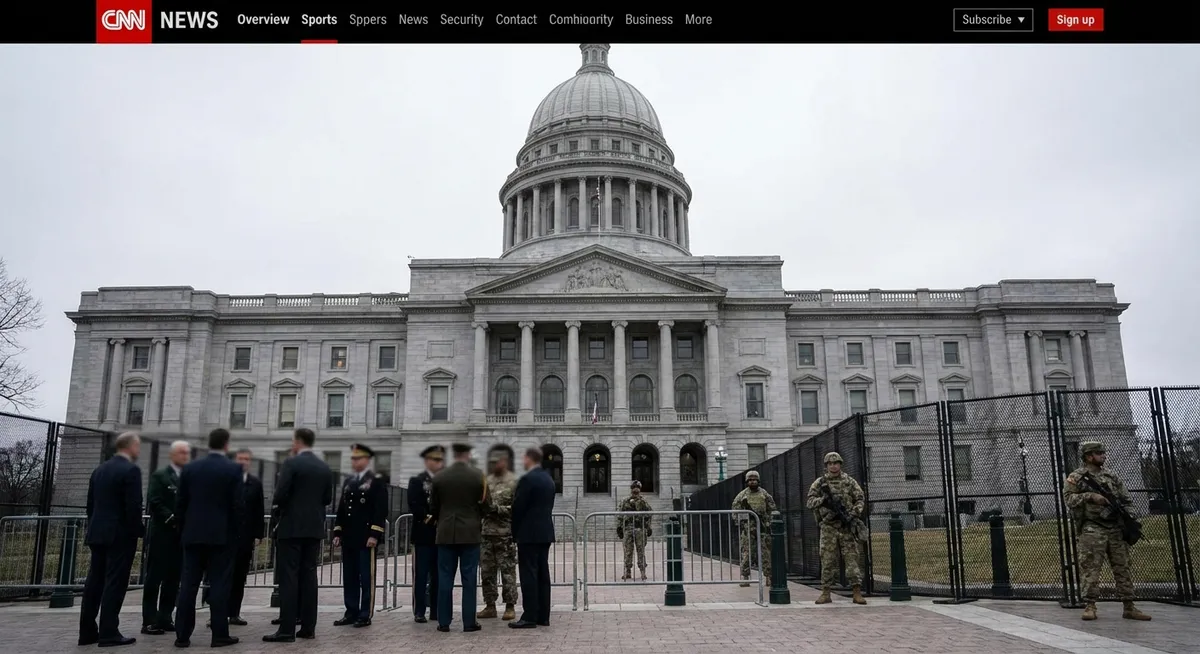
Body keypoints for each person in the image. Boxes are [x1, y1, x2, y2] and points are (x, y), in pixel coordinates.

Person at [1064, 441, 1151, 622]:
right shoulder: (1077, 477)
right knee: (1090, 567)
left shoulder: (1111, 476)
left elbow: (1126, 500)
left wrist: (1129, 517)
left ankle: (1129, 606)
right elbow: (1069, 499)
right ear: (1089, 456)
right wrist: (1091, 496)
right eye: (1099, 453)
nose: (1103, 455)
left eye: (1103, 452)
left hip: (1115, 528)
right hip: (1093, 527)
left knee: (1122, 567)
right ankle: (1090, 605)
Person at [174, 428, 244, 648]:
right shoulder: (233, 469)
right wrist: (236, 534)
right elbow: (237, 506)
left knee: (188, 585)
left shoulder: (190, 469)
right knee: (220, 585)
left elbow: (180, 504)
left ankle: (182, 635)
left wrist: (183, 531)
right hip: (221, 536)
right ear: (226, 444)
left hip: (193, 535)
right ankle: (219, 634)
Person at [264, 428, 333, 643]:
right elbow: (327, 498)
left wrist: (277, 512)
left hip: (291, 526)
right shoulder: (324, 467)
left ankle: (286, 629)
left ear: (297, 442)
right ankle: (308, 627)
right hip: (313, 527)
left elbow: (281, 493)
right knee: (309, 577)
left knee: (289, 577)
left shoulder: (291, 463)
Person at [79, 432, 144, 648]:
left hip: (98, 532)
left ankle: (87, 631)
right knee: (115, 583)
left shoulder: (99, 470)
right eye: (138, 446)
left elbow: (90, 505)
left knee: (94, 583)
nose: (139, 450)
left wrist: (94, 526)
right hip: (120, 535)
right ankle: (109, 631)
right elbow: (133, 506)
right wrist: (138, 531)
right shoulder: (131, 470)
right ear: (131, 447)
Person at [430, 442, 487, 633]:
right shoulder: (478, 476)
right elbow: (486, 504)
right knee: (469, 578)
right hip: (470, 532)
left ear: (454, 455)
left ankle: (443, 622)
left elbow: (433, 507)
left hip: (446, 532)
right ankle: (469, 622)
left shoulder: (439, 477)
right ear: (468, 454)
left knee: (445, 578)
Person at [332, 444, 388, 628]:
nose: (355, 461)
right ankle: (351, 611)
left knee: (366, 577)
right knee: (349, 576)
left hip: (365, 536)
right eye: (353, 459)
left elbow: (380, 510)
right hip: (349, 536)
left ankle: (365, 613)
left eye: (358, 458)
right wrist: (338, 531)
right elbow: (342, 507)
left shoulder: (376, 480)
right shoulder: (349, 480)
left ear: (367, 460)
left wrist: (374, 534)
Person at [141, 440, 190, 636]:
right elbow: (154, 501)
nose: (185, 456)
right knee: (154, 578)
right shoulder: (160, 475)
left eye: (187, 453)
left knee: (173, 578)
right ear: (172, 455)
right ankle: (149, 620)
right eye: (181, 453)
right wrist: (171, 519)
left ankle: (165, 616)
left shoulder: (187, 477)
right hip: (163, 534)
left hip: (180, 536)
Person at [806, 451, 867, 605]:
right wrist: (823, 500)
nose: (833, 466)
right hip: (828, 527)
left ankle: (856, 592)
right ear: (826, 466)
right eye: (830, 464)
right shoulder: (820, 483)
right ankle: (826, 592)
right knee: (827, 560)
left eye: (836, 463)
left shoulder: (849, 481)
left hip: (846, 527)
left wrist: (854, 513)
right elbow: (809, 502)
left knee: (852, 559)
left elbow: (860, 498)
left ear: (840, 464)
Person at [509, 447, 556, 629]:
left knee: (528, 574)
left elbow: (518, 507)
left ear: (529, 458)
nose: (522, 461)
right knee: (543, 574)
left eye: (524, 457)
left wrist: (515, 532)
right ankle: (543, 615)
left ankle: (529, 615)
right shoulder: (548, 479)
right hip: (545, 532)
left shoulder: (528, 479)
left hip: (528, 533)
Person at [479, 444, 518, 621]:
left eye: (498, 461)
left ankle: (510, 606)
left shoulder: (513, 482)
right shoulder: (487, 481)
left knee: (507, 571)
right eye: (492, 462)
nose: (495, 464)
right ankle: (490, 605)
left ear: (505, 462)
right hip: (487, 533)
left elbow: (516, 508)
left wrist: (497, 509)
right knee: (487, 572)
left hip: (505, 534)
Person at [228, 448, 266, 625]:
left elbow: (259, 510)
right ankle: (218, 614)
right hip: (225, 537)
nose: (243, 462)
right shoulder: (225, 480)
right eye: (240, 459)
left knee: (239, 576)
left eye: (246, 459)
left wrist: (259, 534)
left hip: (245, 538)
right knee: (222, 577)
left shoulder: (255, 483)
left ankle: (234, 613)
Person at [408, 445, 444, 624]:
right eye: (433, 459)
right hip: (423, 534)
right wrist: (432, 518)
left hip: (441, 535)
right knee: (421, 575)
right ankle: (419, 610)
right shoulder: (417, 480)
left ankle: (436, 610)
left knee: (438, 575)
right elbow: (414, 505)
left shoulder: (446, 480)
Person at [732, 470, 776, 587]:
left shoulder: (764, 494)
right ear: (747, 481)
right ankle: (745, 577)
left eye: (754, 480)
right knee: (747, 554)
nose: (752, 482)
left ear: (758, 480)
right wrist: (743, 524)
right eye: (750, 480)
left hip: (763, 528)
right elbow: (735, 511)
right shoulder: (742, 496)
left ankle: (769, 576)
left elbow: (772, 509)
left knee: (766, 553)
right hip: (748, 530)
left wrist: (768, 522)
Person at [617, 480, 652, 581]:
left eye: (637, 488)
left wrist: (648, 527)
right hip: (628, 528)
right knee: (628, 551)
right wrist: (619, 527)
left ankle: (642, 572)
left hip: (640, 528)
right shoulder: (625, 501)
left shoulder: (643, 501)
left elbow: (649, 514)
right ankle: (627, 571)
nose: (635, 490)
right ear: (631, 489)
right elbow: (619, 514)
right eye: (634, 488)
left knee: (641, 551)